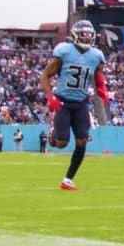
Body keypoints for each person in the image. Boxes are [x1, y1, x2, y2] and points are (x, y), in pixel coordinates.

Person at [39, 20, 109, 190]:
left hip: (81, 103)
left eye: (89, 35)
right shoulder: (64, 51)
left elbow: (98, 76)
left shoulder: (96, 56)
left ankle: (68, 179)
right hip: (63, 101)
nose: (87, 38)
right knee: (61, 143)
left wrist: (102, 90)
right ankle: (53, 133)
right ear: (76, 35)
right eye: (84, 34)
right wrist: (50, 97)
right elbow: (45, 75)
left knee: (82, 141)